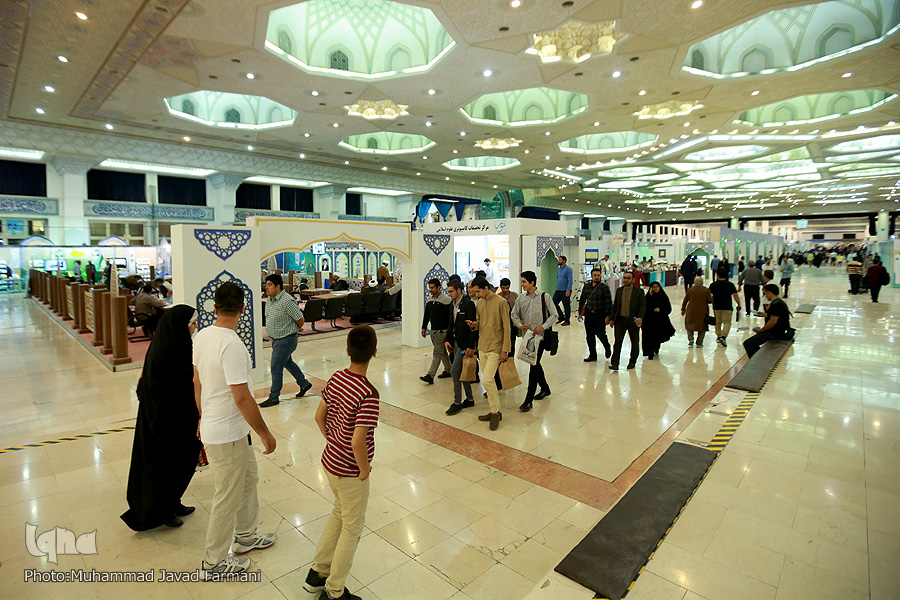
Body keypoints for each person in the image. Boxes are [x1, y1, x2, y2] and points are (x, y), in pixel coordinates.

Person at [193, 282, 277, 581]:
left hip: (230, 429)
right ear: (243, 308)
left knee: (248, 480)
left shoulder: (201, 335)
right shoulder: (232, 345)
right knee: (227, 496)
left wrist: (202, 416)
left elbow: (197, 382)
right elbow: (242, 397)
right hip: (226, 434)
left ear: (214, 308)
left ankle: (245, 536)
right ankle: (213, 562)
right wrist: (265, 433)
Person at [302, 326, 379, 600]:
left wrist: (333, 441)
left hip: (330, 462)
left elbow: (318, 417)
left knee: (339, 514)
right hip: (350, 472)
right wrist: (364, 469)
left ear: (347, 351)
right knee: (352, 528)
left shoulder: (336, 378)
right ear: (374, 352)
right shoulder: (368, 393)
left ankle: (318, 573)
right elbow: (358, 441)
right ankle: (334, 591)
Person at [121, 306, 200, 531]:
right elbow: (160, 389)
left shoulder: (177, 345)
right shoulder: (163, 352)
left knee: (182, 462)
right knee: (165, 466)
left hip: (181, 419)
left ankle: (173, 501)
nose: (195, 327)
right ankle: (162, 510)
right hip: (165, 423)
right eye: (192, 324)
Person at [259, 274, 312, 407]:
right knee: (287, 362)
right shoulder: (270, 300)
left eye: (270, 285)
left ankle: (274, 397)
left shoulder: (287, 301)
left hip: (286, 339)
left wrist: (296, 327)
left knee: (276, 367)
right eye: (266, 285)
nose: (266, 287)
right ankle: (304, 383)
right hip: (277, 339)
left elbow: (300, 319)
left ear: (278, 286)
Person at [465, 276, 511, 430]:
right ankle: (494, 411)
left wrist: (505, 350)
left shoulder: (501, 302)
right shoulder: (480, 302)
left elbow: (507, 328)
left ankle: (495, 412)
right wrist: (474, 325)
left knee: (486, 381)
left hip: (496, 348)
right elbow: (480, 323)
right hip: (482, 347)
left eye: (478, 291)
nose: (476, 294)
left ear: (486, 288)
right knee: (489, 382)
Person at [511, 270, 557, 412]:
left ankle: (528, 400)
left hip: (541, 338)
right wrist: (520, 325)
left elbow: (554, 315)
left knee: (534, 365)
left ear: (532, 283)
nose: (522, 284)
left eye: (524, 282)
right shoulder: (521, 298)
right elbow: (513, 314)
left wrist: (542, 327)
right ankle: (545, 388)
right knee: (534, 362)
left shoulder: (545, 297)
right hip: (528, 338)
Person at [444, 280, 477, 415]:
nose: (449, 294)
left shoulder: (468, 304)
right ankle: (469, 398)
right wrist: (447, 340)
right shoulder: (452, 304)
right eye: (448, 291)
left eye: (451, 291)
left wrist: (470, 346)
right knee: (462, 371)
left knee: (454, 370)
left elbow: (472, 328)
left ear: (459, 290)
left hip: (464, 345)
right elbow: (450, 324)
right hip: (455, 342)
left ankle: (457, 402)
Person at [607, 271, 645, 370]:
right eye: (624, 278)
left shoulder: (639, 291)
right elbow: (615, 305)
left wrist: (640, 317)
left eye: (628, 278)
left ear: (633, 280)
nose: (626, 280)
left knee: (634, 342)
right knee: (617, 342)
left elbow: (642, 306)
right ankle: (615, 363)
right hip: (620, 320)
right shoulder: (619, 290)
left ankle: (632, 361)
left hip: (633, 320)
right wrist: (612, 318)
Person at [743, 284, 792, 358]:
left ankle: (756, 360)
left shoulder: (776, 305)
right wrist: (764, 314)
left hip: (775, 333)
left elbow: (773, 321)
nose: (765, 296)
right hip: (779, 331)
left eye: (765, 293)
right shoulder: (779, 302)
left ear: (769, 292)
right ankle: (758, 358)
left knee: (748, 343)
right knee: (754, 342)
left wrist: (762, 330)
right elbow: (776, 315)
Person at [420, 278, 452, 384]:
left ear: (439, 287)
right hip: (433, 330)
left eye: (433, 287)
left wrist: (449, 331)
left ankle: (430, 375)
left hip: (442, 331)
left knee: (437, 352)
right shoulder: (429, 299)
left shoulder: (446, 300)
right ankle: (449, 370)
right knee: (442, 351)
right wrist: (424, 327)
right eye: (429, 287)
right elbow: (427, 314)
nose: (431, 289)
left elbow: (450, 317)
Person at [579, 267, 612, 362]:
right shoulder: (587, 286)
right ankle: (592, 355)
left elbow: (609, 303)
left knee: (600, 333)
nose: (596, 277)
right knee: (589, 335)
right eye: (595, 275)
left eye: (598, 275)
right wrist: (580, 313)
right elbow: (582, 300)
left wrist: (608, 316)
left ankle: (607, 347)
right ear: (592, 276)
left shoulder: (604, 287)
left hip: (600, 314)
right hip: (589, 314)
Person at [642, 282, 675, 360]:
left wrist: (660, 309)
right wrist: (649, 296)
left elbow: (668, 309)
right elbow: (644, 306)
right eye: (653, 287)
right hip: (649, 321)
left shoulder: (663, 296)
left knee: (657, 337)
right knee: (649, 337)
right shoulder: (648, 297)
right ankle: (650, 353)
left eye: (657, 286)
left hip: (660, 321)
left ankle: (656, 348)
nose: (655, 288)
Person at [709, 269, 741, 347]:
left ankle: (718, 336)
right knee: (727, 322)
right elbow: (735, 295)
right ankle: (723, 336)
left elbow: (709, 295)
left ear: (717, 275)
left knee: (718, 322)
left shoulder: (713, 285)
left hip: (716, 306)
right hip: (727, 306)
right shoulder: (730, 285)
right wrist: (738, 304)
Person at [682, 276, 711, 347]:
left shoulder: (690, 290)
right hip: (702, 310)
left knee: (689, 324)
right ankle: (699, 342)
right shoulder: (706, 290)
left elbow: (685, 300)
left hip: (691, 310)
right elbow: (710, 300)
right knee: (702, 326)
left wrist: (683, 309)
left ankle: (691, 339)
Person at [553, 255, 574, 326]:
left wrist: (568, 290)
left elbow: (570, 280)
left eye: (560, 260)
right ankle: (561, 317)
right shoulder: (559, 269)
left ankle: (567, 320)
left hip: (565, 290)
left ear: (564, 261)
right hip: (558, 290)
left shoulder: (568, 269)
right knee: (553, 303)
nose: (558, 261)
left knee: (566, 305)